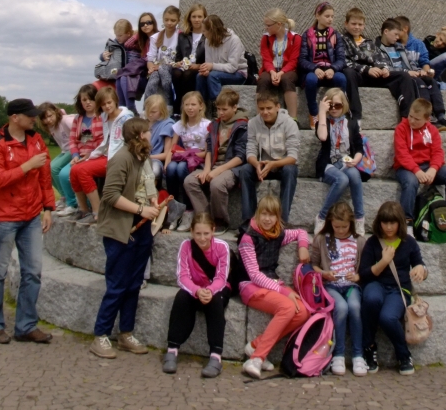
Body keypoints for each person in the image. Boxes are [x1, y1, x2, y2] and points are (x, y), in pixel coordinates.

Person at [0, 98, 55, 345]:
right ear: (14, 117)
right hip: (3, 217)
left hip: (31, 215)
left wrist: (48, 208)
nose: (34, 118)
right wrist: (26, 166)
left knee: (33, 271)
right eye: (29, 115)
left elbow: (45, 176)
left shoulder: (36, 140)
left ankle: (26, 326)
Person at [89, 117, 161, 359]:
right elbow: (110, 194)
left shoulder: (143, 157)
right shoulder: (121, 158)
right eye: (148, 131)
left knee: (134, 283)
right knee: (117, 284)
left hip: (141, 228)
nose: (151, 134)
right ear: (140, 135)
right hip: (121, 229)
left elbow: (146, 184)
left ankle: (125, 333)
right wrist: (141, 209)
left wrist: (152, 200)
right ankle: (101, 334)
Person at [239, 195, 310, 379]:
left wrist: (303, 247)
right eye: (264, 214)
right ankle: (256, 359)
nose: (267, 219)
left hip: (272, 283)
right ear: (257, 214)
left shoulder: (278, 233)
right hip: (251, 286)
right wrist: (284, 291)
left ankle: (257, 345)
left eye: (272, 215)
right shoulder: (248, 238)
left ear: (278, 217)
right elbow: (254, 275)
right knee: (287, 307)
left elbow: (301, 232)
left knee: (303, 312)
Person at [359, 200, 427, 375]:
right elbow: (364, 273)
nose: (388, 227)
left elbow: (420, 264)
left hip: (399, 289)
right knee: (371, 299)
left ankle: (403, 355)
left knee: (388, 317)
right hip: (376, 284)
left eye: (392, 223)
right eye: (385, 223)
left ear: (400, 223)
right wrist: (384, 261)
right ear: (379, 223)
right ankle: (368, 348)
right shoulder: (373, 242)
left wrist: (421, 269)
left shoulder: (409, 242)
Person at [162, 212, 232, 378]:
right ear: (192, 231)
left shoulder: (222, 247)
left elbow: (221, 278)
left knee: (216, 301)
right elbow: (182, 276)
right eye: (198, 233)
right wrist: (197, 290)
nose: (202, 238)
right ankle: (172, 349)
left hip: (216, 288)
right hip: (195, 288)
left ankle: (215, 356)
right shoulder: (186, 246)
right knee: (181, 297)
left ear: (213, 230)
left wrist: (209, 291)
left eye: (206, 233)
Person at [310, 201, 368, 377]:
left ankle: (358, 354)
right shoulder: (322, 239)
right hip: (331, 286)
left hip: (351, 286)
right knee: (341, 308)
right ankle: (338, 354)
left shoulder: (360, 241)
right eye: (337, 227)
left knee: (355, 307)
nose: (341, 230)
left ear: (351, 223)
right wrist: (325, 273)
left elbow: (366, 268)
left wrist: (358, 276)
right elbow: (314, 265)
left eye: (344, 227)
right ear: (330, 224)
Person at [393, 98, 446, 239]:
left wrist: (433, 169)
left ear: (427, 119)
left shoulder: (432, 131)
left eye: (417, 119)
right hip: (406, 168)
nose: (412, 121)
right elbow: (402, 154)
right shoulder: (401, 128)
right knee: (411, 182)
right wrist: (416, 171)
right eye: (410, 116)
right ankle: (407, 223)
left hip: (428, 166)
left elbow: (438, 152)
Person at [183, 88, 249, 234]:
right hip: (213, 164)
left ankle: (220, 220)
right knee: (189, 181)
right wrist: (207, 169)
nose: (220, 113)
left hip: (231, 168)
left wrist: (217, 171)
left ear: (234, 107)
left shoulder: (242, 126)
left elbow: (240, 157)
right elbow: (209, 149)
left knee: (216, 184)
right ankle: (205, 217)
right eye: (218, 109)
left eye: (224, 109)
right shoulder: (215, 125)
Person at [342, 9, 423, 124]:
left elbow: (380, 58)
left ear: (364, 26)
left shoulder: (368, 42)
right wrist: (367, 69)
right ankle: (356, 117)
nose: (357, 27)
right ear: (346, 24)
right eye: (353, 24)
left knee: (403, 76)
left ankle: (406, 118)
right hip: (358, 75)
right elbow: (344, 61)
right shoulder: (342, 40)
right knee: (348, 73)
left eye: (360, 24)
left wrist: (384, 68)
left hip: (374, 75)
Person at [70, 86, 133, 226]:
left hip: (119, 158)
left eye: (109, 102)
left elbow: (129, 143)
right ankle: (83, 210)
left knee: (83, 170)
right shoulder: (104, 117)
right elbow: (105, 142)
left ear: (115, 101)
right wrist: (91, 155)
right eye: (103, 104)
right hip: (106, 154)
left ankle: (97, 211)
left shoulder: (126, 118)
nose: (107, 106)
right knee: (74, 170)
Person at [376, 19, 446, 131]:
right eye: (395, 34)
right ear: (386, 32)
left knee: (430, 81)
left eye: (398, 34)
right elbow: (384, 67)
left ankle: (440, 116)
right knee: (418, 82)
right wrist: (407, 72)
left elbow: (410, 62)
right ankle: (427, 118)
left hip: (410, 73)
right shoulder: (376, 47)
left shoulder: (399, 46)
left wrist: (419, 71)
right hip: (396, 76)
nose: (397, 37)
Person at [314, 89, 368, 236]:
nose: (333, 109)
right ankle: (322, 217)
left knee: (354, 175)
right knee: (342, 179)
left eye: (337, 105)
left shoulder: (351, 123)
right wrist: (322, 112)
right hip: (328, 163)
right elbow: (322, 137)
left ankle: (359, 218)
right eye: (330, 105)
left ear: (344, 105)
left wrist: (356, 159)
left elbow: (359, 147)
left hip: (345, 160)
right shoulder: (323, 122)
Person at [240, 92, 300, 224]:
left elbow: (293, 157)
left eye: (269, 108)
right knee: (245, 170)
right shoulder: (253, 123)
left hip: (282, 164)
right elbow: (250, 151)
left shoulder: (289, 123)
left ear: (277, 107)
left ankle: (281, 221)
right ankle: (249, 221)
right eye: (261, 109)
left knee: (290, 170)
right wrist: (256, 164)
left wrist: (273, 164)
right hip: (262, 165)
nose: (265, 112)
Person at [165, 91, 211, 229]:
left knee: (180, 168)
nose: (190, 108)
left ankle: (188, 210)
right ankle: (174, 208)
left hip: (197, 159)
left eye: (193, 104)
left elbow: (207, 151)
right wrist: (166, 163)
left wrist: (191, 154)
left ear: (201, 106)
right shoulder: (180, 124)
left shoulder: (206, 125)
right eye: (187, 105)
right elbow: (173, 147)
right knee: (171, 168)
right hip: (184, 157)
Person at [298, 2, 347, 127]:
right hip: (314, 70)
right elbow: (302, 59)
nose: (330, 19)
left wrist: (333, 68)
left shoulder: (335, 35)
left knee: (341, 79)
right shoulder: (307, 35)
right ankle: (314, 114)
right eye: (327, 16)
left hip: (331, 69)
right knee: (310, 80)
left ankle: (338, 111)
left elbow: (341, 59)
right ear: (317, 16)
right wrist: (314, 68)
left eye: (332, 16)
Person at [57, 84, 100, 218]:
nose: (88, 103)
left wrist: (91, 154)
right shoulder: (78, 118)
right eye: (84, 100)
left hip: (95, 155)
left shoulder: (101, 117)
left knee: (79, 172)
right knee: (64, 174)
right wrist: (75, 155)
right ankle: (75, 205)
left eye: (91, 99)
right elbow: (72, 140)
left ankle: (90, 206)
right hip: (79, 155)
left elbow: (103, 141)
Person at [257, 9, 301, 118]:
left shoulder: (295, 38)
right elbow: (266, 59)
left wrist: (281, 73)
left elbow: (293, 61)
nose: (266, 28)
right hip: (271, 69)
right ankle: (260, 116)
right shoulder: (266, 38)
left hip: (288, 70)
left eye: (268, 25)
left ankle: (293, 117)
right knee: (263, 79)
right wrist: (272, 72)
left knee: (287, 80)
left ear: (279, 24)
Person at [196, 14, 248, 105]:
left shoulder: (234, 40)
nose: (203, 34)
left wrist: (212, 66)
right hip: (217, 72)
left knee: (213, 76)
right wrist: (206, 70)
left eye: (204, 31)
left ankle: (218, 105)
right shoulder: (208, 41)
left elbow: (232, 67)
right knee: (200, 76)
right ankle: (201, 106)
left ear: (212, 31)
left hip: (238, 73)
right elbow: (209, 62)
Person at [115, 12, 158, 113]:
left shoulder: (159, 36)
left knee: (125, 75)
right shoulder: (142, 39)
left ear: (154, 23)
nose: (145, 25)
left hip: (148, 71)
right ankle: (123, 109)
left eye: (148, 22)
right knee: (120, 78)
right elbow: (127, 44)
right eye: (142, 24)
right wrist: (137, 34)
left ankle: (130, 108)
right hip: (140, 70)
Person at [38, 102, 73, 212]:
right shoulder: (51, 126)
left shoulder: (65, 120)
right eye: (44, 118)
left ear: (56, 112)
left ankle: (69, 198)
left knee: (54, 168)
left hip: (74, 149)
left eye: (50, 116)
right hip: (65, 151)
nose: (48, 120)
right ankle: (63, 196)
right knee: (46, 169)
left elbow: (80, 130)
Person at [144, 5, 181, 107]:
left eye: (173, 20)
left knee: (163, 70)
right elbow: (150, 59)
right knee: (154, 78)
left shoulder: (180, 36)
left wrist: (161, 66)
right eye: (166, 20)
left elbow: (181, 59)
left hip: (173, 67)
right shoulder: (155, 37)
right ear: (163, 19)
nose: (169, 23)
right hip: (158, 68)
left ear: (178, 21)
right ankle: (147, 106)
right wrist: (151, 68)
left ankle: (169, 102)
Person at [172, 3, 208, 106]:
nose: (197, 20)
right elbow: (178, 57)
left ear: (204, 18)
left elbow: (211, 59)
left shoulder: (207, 36)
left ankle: (185, 104)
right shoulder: (182, 36)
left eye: (200, 17)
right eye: (194, 17)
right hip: (184, 67)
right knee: (176, 73)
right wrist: (178, 63)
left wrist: (198, 66)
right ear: (189, 18)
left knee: (188, 74)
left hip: (199, 68)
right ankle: (178, 104)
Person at [144, 94, 175, 182]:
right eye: (147, 110)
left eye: (153, 112)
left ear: (162, 111)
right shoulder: (144, 123)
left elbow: (167, 154)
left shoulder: (167, 125)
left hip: (156, 160)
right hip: (142, 157)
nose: (149, 114)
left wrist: (148, 157)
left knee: (154, 171)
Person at [95, 19, 134, 87]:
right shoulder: (114, 44)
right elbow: (105, 53)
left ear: (128, 34)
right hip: (114, 73)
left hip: (128, 75)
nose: (117, 38)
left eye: (120, 36)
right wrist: (103, 56)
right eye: (116, 35)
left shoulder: (134, 44)